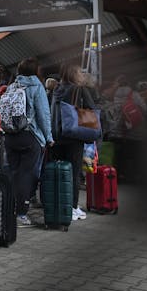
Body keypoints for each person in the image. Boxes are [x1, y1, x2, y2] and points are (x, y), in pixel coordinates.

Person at [4, 58, 54, 227]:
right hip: (29, 136)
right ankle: (21, 214)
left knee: (13, 172)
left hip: (10, 135)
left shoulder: (13, 85)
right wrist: (48, 137)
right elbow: (43, 115)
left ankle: (8, 210)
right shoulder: (36, 87)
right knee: (26, 174)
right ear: (37, 71)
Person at [50, 63, 95, 221]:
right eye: (79, 72)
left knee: (60, 172)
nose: (82, 75)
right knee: (74, 172)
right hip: (73, 136)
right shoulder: (79, 89)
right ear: (74, 74)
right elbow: (91, 108)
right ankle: (73, 207)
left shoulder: (56, 89)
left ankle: (60, 204)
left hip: (57, 136)